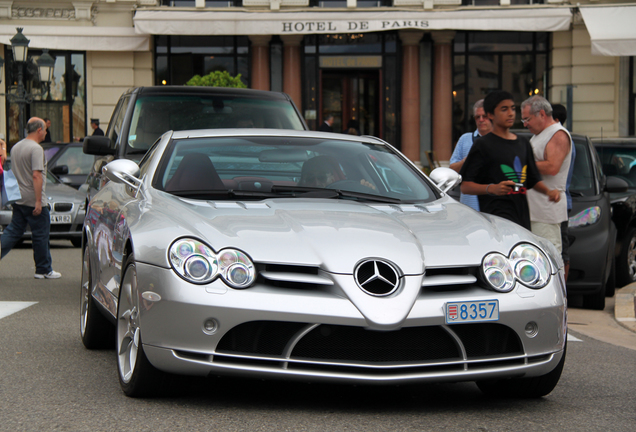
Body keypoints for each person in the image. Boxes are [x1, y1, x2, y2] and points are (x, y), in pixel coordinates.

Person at [460, 90, 560, 231]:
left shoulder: (523, 143)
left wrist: (548, 192)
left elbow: (532, 179)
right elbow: (465, 186)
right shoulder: (482, 145)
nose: (511, 113)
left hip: (522, 220)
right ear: (491, 115)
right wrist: (492, 188)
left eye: (513, 108)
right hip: (495, 221)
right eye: (504, 109)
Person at [1, 117, 61, 279]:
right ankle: (43, 269)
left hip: (18, 197)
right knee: (41, 234)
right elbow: (37, 175)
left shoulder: (16, 147)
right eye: (45, 130)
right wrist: (38, 202)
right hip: (33, 197)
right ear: (39, 130)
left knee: (13, 232)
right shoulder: (36, 149)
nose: (46, 133)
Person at [521, 96, 572, 254]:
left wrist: (521, 166)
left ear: (541, 114)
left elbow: (552, 167)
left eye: (527, 119)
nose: (525, 124)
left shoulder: (558, 134)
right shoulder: (540, 134)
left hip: (545, 210)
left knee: (549, 255)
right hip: (535, 209)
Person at [449, 99, 493, 211]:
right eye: (477, 117)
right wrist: (466, 160)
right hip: (469, 206)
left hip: (494, 205)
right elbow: (452, 170)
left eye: (484, 116)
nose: (481, 120)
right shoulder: (465, 139)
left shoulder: (501, 140)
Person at [551, 103, 576, 280]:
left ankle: (562, 291)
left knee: (560, 248)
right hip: (559, 200)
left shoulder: (561, 140)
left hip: (558, 200)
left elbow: (552, 168)